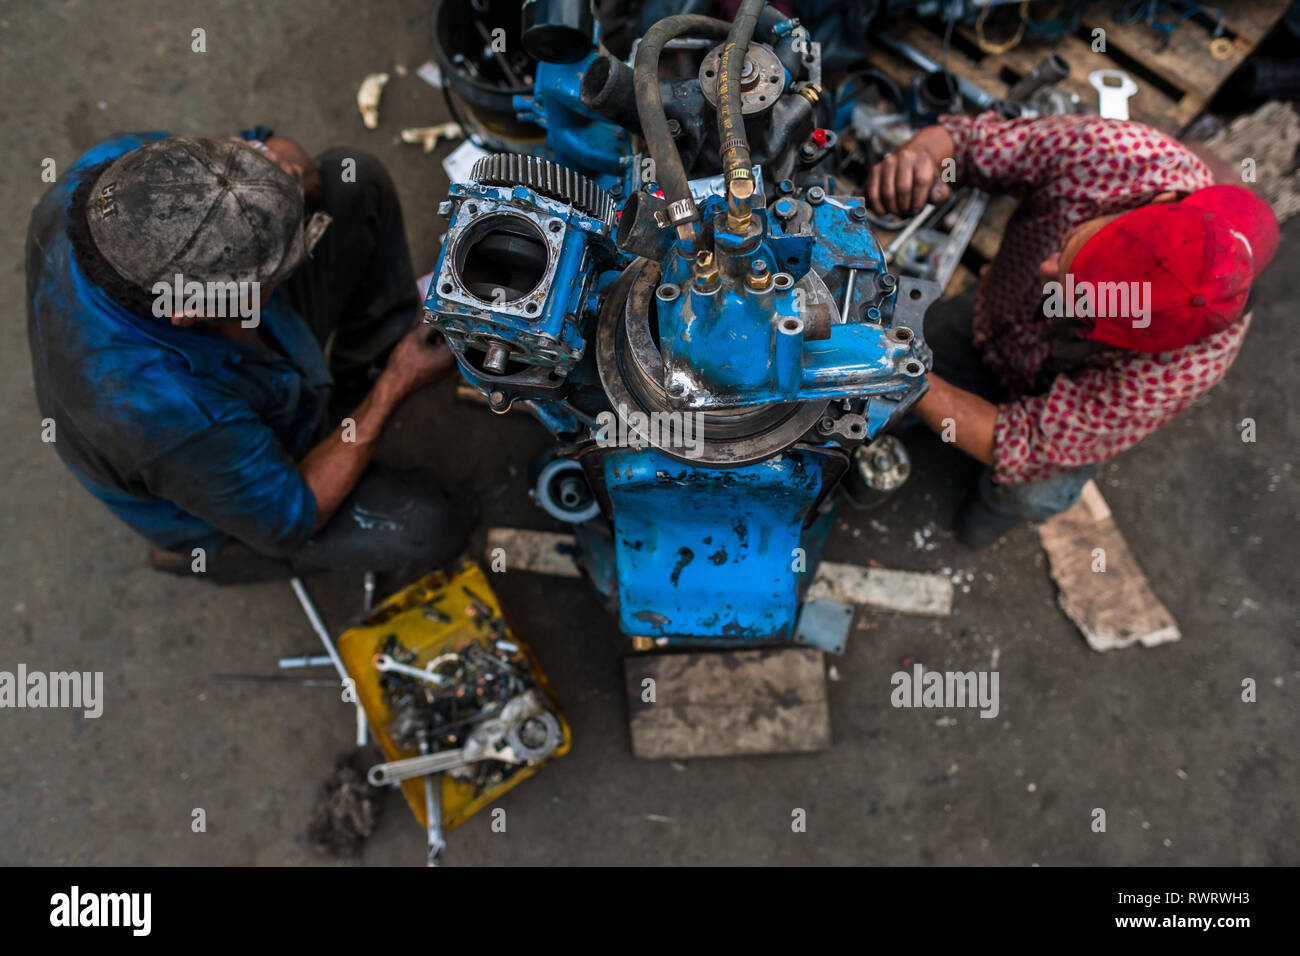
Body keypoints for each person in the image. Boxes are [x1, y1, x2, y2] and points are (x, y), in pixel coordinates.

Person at [27, 130, 473, 582]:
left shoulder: (125, 174)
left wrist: (282, 170)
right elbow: (292, 517)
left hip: (218, 360)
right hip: (216, 474)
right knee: (433, 526)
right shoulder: (162, 411)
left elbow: (271, 146)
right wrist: (394, 386)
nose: (291, 271)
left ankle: (355, 389)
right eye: (271, 281)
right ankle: (214, 555)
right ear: (192, 311)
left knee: (354, 179)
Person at [867, 112, 1279, 547]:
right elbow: (968, 142)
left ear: (1142, 345)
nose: (1046, 271)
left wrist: (901, 372)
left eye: (1075, 303)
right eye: (1071, 246)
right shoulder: (1115, 155)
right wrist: (920, 156)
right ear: (1160, 200)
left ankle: (995, 502)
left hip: (1052, 394)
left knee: (1033, 490)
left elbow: (1024, 440)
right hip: (991, 322)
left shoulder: (1181, 368)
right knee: (903, 379)